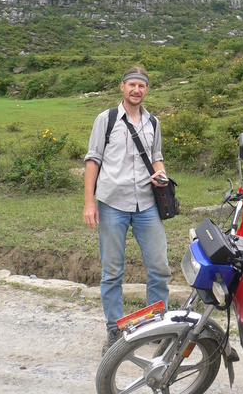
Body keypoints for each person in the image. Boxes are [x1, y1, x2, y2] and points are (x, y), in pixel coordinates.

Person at [83, 66, 171, 355]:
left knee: (159, 267)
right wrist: (89, 202)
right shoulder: (106, 119)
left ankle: (156, 324)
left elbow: (156, 157)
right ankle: (113, 330)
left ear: (147, 90)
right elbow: (93, 160)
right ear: (122, 87)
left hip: (147, 203)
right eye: (132, 85)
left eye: (141, 86)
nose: (136, 90)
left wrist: (161, 175)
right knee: (112, 271)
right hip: (112, 202)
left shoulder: (153, 122)